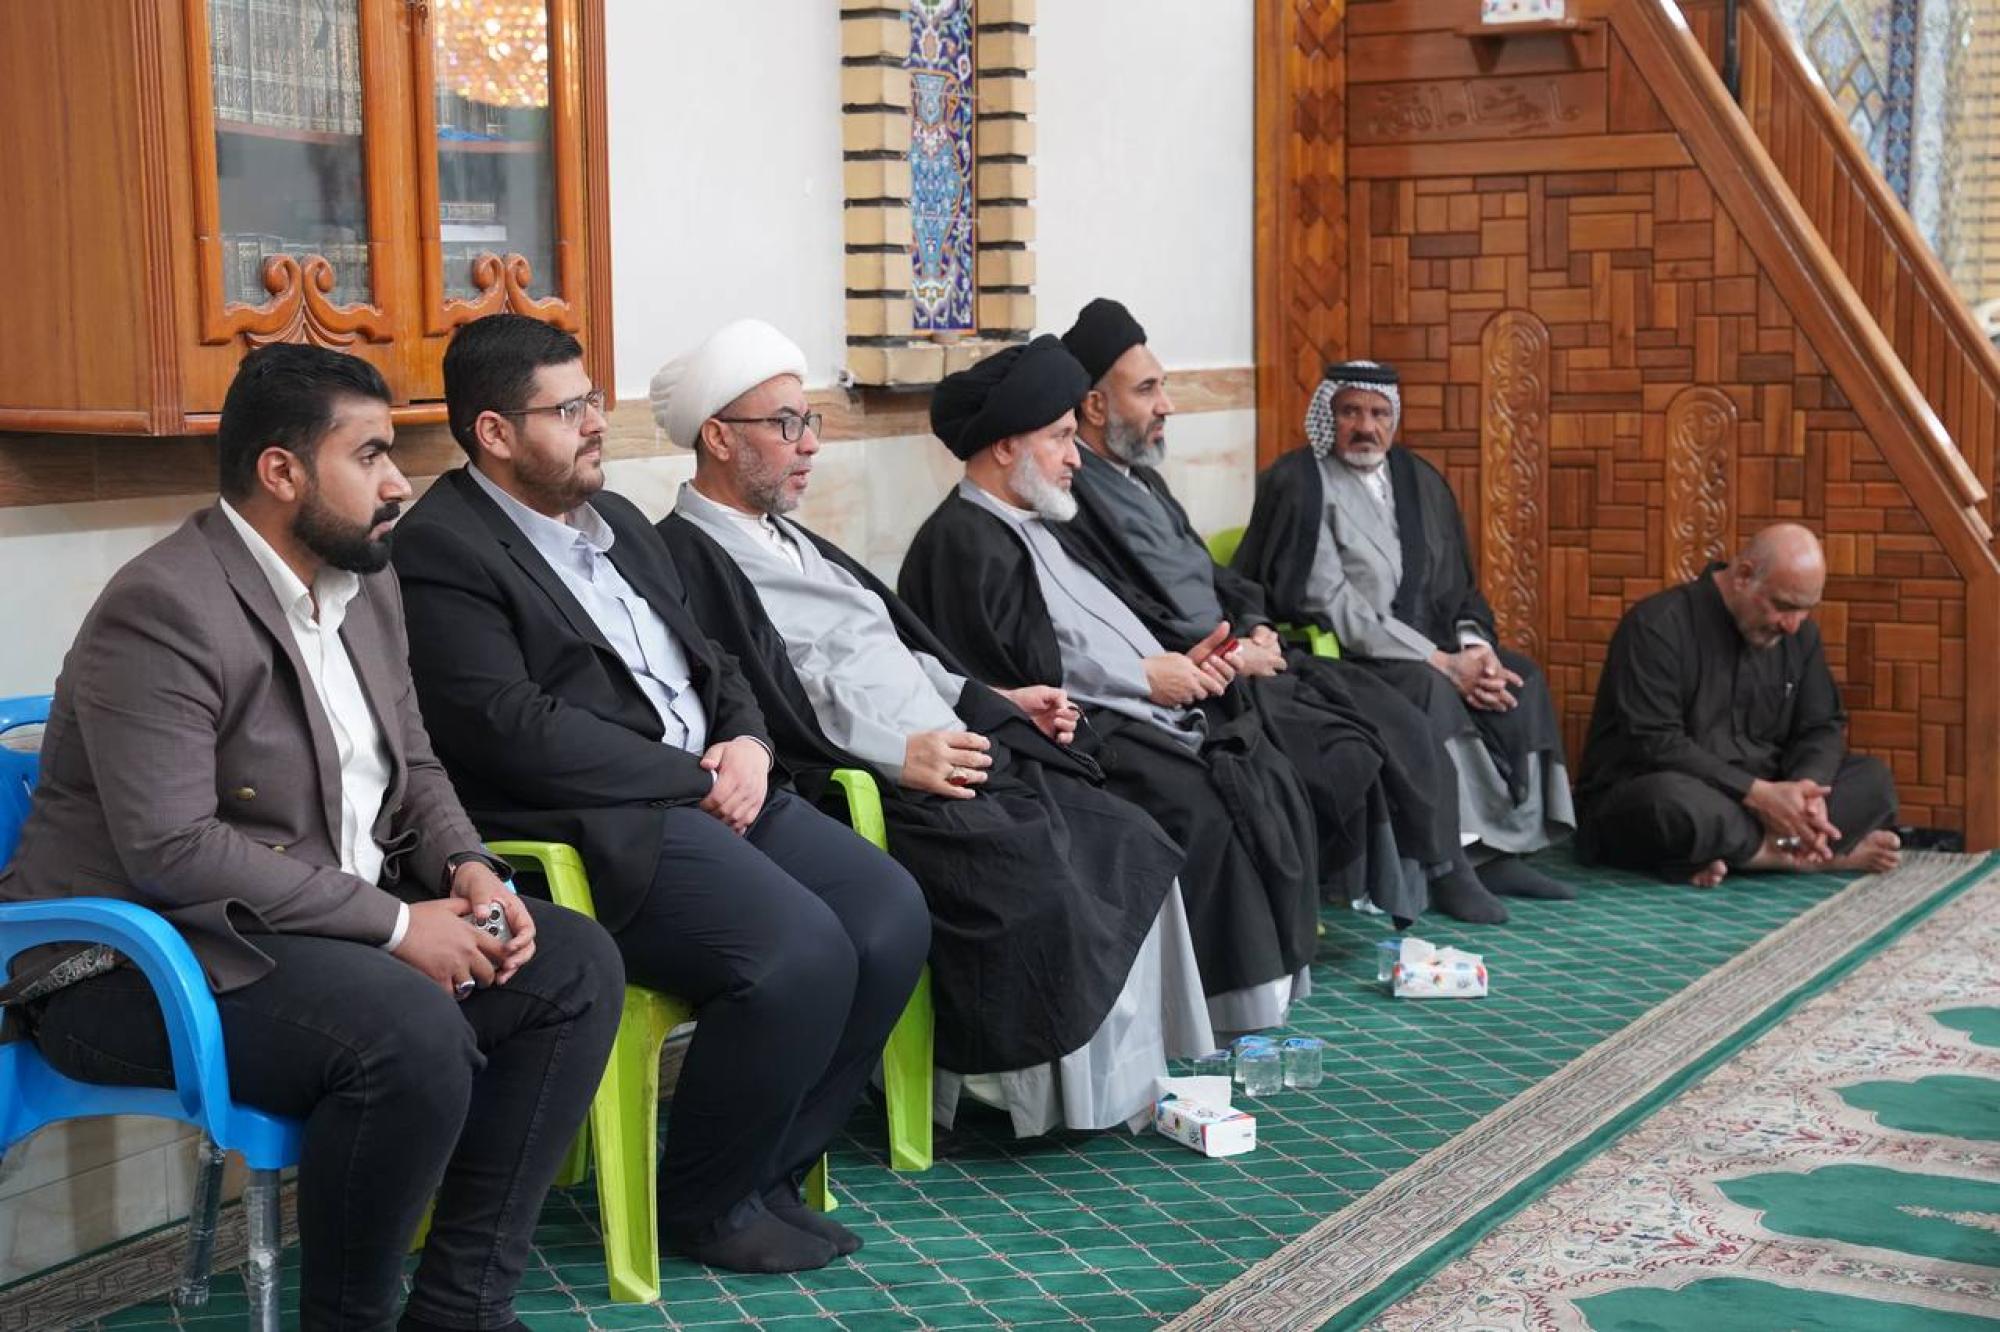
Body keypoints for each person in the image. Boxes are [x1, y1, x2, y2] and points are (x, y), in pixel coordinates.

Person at [0, 344, 624, 1332]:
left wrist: (468, 868)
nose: (398, 483)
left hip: (294, 937)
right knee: (410, 1036)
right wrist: (397, 926)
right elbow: (173, 848)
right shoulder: (162, 608)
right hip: (127, 967)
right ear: (281, 472)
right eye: (370, 455)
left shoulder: (365, 582)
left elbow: (411, 762)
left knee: (573, 968)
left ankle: (462, 1310)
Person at [389, 314, 930, 1275]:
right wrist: (692, 774)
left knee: (889, 916)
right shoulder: (442, 548)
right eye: (568, 411)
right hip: (606, 826)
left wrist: (750, 744)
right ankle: (706, 1204)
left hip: (712, 791)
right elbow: (512, 728)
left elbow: (716, 658)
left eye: (594, 400)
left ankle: (770, 1171)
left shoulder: (621, 524)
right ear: (495, 433)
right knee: (798, 950)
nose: (598, 423)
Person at [647, 318, 1213, 1136]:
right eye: (786, 424)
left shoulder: (789, 537)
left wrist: (995, 697)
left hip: (950, 741)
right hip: (880, 779)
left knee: (1122, 829)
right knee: (1036, 876)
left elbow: (897, 648)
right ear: (718, 438)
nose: (810, 444)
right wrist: (897, 754)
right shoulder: (686, 555)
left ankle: (1117, 1086)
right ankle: (1021, 1098)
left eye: (810, 421)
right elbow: (775, 697)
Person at [901, 335, 1322, 1033]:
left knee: (1260, 762)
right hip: (1063, 740)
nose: (1075, 457)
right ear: (1005, 447)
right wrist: (1142, 679)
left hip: (1126, 713)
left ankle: (1266, 990)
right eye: (1061, 438)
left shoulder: (1037, 523)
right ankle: (1214, 1013)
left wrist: (1180, 664)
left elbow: (1103, 626)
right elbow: (1016, 671)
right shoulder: (962, 542)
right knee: (1201, 803)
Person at [1056, 297, 1516, 924]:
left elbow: (1214, 576)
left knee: (1393, 714)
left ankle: (1447, 865)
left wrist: (1257, 624)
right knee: (1347, 741)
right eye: (1148, 390)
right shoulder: (1078, 502)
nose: (1167, 405)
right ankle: (1418, 874)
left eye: (1162, 386)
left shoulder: (1144, 480)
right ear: (1094, 407)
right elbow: (1127, 610)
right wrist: (1233, 652)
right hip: (1205, 675)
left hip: (1247, 650)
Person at [1233, 359, 1577, 902]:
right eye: (1350, 412)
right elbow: (1327, 600)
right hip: (1351, 655)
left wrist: (1475, 649)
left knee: (1520, 678)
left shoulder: (1420, 480)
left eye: (1378, 414)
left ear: (1394, 420)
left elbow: (1457, 581)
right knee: (1429, 689)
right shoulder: (1300, 483)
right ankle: (1457, 859)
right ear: (1328, 416)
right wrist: (1442, 663)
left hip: (1438, 647)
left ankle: (1508, 848)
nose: (1365, 427)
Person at [1576, 523, 1902, 887]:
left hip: (1765, 794)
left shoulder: (1800, 636)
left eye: (1805, 610)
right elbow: (1655, 744)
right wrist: (1756, 794)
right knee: (1669, 804)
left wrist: (1806, 792)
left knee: (1873, 780)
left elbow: (1821, 725)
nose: (1793, 626)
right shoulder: (1657, 626)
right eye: (1783, 606)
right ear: (1744, 576)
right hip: (1681, 788)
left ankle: (1749, 852)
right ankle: (1792, 858)